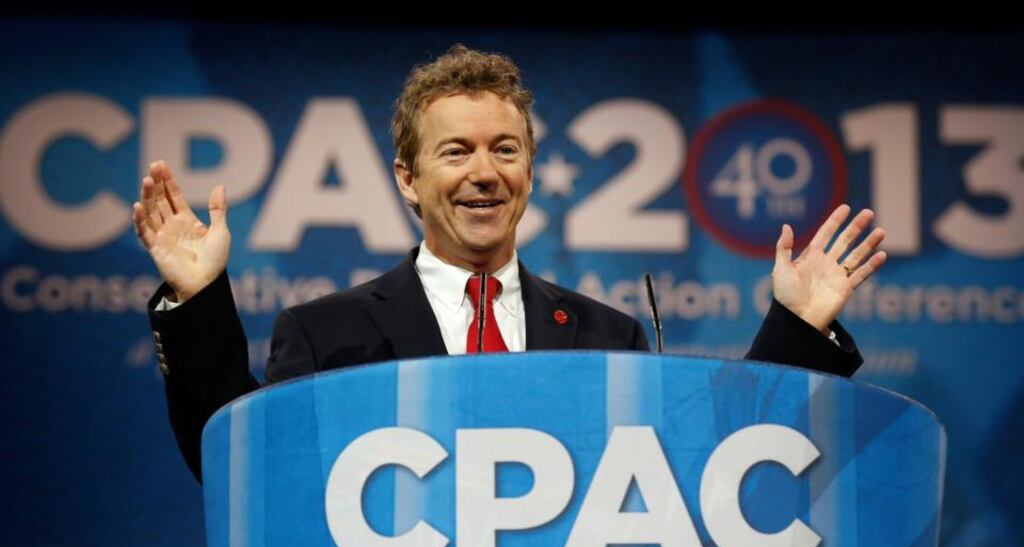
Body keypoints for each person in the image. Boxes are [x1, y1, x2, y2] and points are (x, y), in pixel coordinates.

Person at [132, 45, 886, 481]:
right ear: (407, 179)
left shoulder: (607, 337)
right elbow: (243, 469)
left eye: (505, 149)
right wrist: (198, 301)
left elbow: (699, 478)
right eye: (455, 151)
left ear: (529, 168)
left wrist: (794, 330)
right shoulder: (326, 333)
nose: (484, 172)